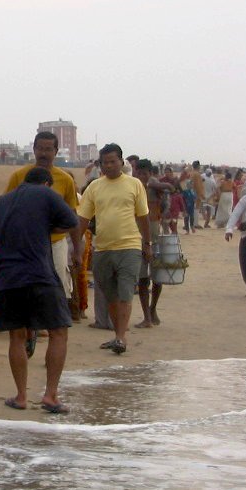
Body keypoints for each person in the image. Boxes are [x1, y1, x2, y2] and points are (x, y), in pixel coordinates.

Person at [0, 167, 78, 414]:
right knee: (58, 332)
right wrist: (44, 228)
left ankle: (21, 396)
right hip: (40, 274)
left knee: (17, 337)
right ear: (46, 184)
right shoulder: (47, 194)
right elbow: (71, 221)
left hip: (9, 278)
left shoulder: (4, 200)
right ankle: (50, 395)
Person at [76, 144, 153, 355]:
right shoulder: (94, 187)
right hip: (102, 248)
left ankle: (121, 337)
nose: (109, 166)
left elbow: (143, 217)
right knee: (110, 295)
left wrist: (147, 244)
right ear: (100, 164)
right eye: (105, 162)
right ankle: (117, 334)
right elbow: (83, 218)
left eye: (113, 161)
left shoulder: (134, 184)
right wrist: (76, 247)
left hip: (129, 247)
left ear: (121, 162)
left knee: (126, 292)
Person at [4, 132, 82, 316]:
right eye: (40, 148)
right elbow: (6, 209)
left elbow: (72, 217)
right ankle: (31, 325)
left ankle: (52, 322)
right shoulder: (19, 176)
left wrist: (77, 251)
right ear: (34, 149)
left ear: (56, 152)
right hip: (26, 244)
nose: (44, 153)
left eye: (48, 149)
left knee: (56, 284)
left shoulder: (65, 179)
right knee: (27, 284)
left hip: (55, 243)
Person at [134, 159, 173, 327]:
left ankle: (152, 309)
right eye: (139, 173)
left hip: (154, 233)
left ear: (150, 173)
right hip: (138, 234)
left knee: (157, 276)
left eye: (145, 173)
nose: (141, 176)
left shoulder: (155, 186)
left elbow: (167, 198)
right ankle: (147, 316)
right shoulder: (134, 186)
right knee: (143, 278)